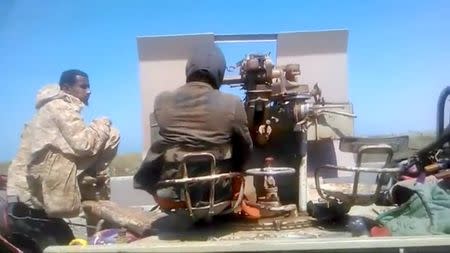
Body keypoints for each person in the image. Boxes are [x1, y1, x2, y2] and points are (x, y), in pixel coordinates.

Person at [5, 69, 120, 250]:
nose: (88, 91)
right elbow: (85, 144)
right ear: (67, 88)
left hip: (27, 194)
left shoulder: (46, 110)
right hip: (35, 198)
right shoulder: (59, 107)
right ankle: (94, 179)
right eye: (83, 86)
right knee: (112, 135)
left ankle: (91, 180)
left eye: (89, 86)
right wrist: (102, 123)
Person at [134, 45, 253, 209]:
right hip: (218, 195)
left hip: (171, 196)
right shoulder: (232, 103)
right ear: (220, 73)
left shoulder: (162, 100)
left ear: (189, 69)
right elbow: (245, 149)